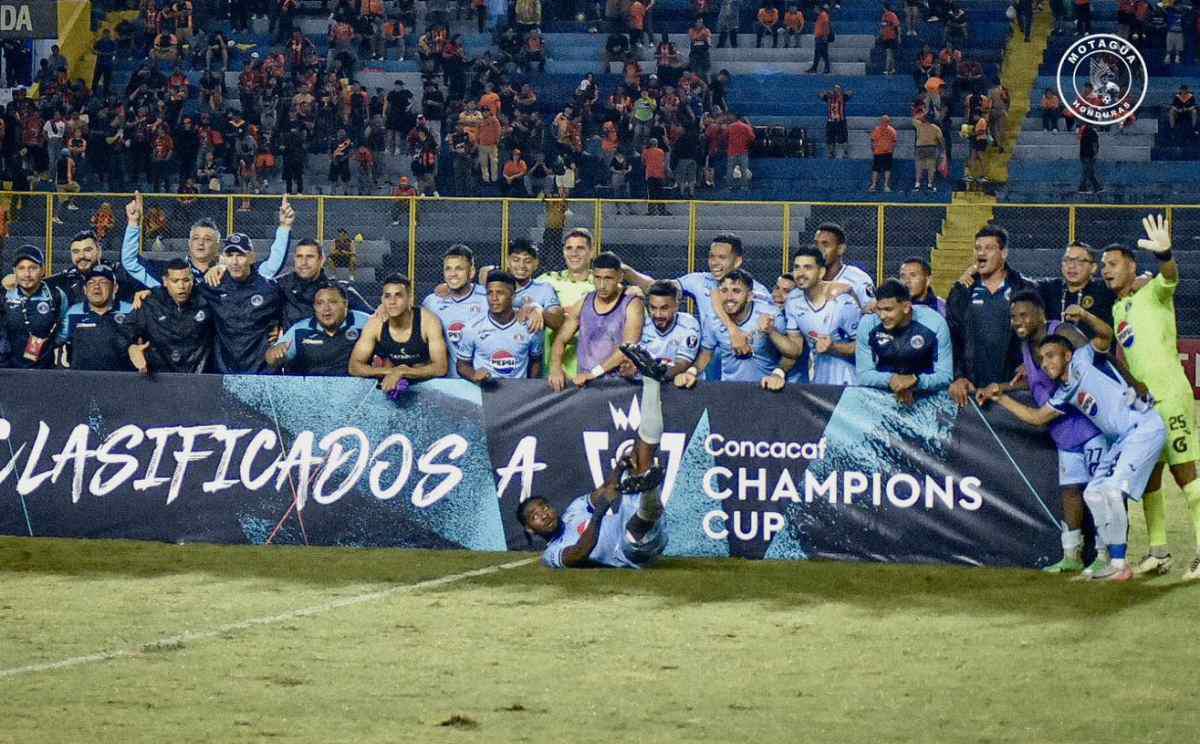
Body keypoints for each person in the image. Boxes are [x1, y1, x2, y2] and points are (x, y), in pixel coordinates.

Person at [987, 334, 1166, 582]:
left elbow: (1104, 334)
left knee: (1112, 492)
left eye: (1051, 356)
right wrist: (1001, 398)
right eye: (1041, 359)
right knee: (1093, 492)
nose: (1045, 363)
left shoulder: (1083, 360)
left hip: (1144, 427)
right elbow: (1038, 417)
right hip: (1124, 439)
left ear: (1067, 355)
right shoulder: (1065, 392)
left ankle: (1117, 564)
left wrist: (1083, 314)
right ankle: (1113, 561)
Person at [975, 290, 1111, 574]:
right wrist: (1004, 387)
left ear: (1040, 314)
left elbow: (1097, 360)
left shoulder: (1062, 333)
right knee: (1071, 492)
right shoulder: (1027, 346)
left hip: (1091, 425)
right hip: (1064, 432)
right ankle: (1071, 554)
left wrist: (1128, 388)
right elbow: (1038, 382)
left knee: (1100, 492)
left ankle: (1105, 555)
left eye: (1023, 315)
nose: (1017, 321)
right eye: (1013, 316)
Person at [1103, 216, 1200, 580]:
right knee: (1150, 478)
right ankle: (1159, 553)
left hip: (1171, 396)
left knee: (1185, 473)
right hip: (1142, 407)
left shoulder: (1153, 291)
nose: (1106, 271)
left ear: (1131, 266)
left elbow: (1171, 275)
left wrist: (1164, 254)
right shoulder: (1117, 309)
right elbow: (1126, 356)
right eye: (1103, 267)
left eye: (1112, 265)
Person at [517, 344, 672, 569]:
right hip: (628, 551)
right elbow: (579, 554)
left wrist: (619, 469)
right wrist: (599, 513)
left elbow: (604, 493)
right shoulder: (552, 554)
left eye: (543, 507)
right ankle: (649, 490)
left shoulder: (574, 510)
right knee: (633, 529)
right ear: (530, 529)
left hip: (636, 523)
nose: (544, 514)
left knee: (640, 457)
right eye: (535, 516)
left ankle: (651, 380)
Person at [623, 233, 774, 381]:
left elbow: (767, 331)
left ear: (737, 261)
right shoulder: (698, 281)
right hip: (707, 358)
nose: (714, 262)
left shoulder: (757, 292)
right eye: (711, 256)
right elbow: (659, 288)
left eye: (722, 257)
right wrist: (626, 271)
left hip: (744, 363)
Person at [121, 193, 293, 288]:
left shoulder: (233, 272)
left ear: (218, 246)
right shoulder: (171, 272)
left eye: (207, 239)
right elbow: (130, 262)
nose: (200, 243)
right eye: (195, 238)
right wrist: (133, 224)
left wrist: (284, 227)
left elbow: (272, 266)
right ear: (189, 243)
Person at [947, 225, 1034, 405]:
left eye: (989, 248)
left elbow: (1039, 332)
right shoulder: (962, 292)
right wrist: (958, 376)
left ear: (1004, 253)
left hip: (1012, 386)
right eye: (978, 248)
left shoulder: (1025, 288)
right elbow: (953, 338)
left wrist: (1031, 363)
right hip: (972, 387)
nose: (981, 253)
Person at [549, 252, 644, 391]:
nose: (602, 285)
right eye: (598, 278)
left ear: (620, 277)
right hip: (585, 384)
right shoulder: (584, 302)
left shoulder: (632, 304)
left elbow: (628, 349)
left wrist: (594, 374)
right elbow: (561, 339)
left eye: (608, 278)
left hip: (618, 386)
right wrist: (556, 367)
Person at [767, 248, 860, 387]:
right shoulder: (793, 300)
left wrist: (834, 347)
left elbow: (866, 348)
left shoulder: (842, 300)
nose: (800, 273)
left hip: (851, 381)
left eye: (808, 267)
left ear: (821, 272)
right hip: (819, 381)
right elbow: (795, 350)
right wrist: (778, 372)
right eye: (796, 267)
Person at [675, 269, 782, 388]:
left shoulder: (770, 315)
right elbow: (706, 354)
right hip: (729, 390)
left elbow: (790, 354)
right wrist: (691, 372)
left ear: (750, 296)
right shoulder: (713, 319)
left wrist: (778, 374)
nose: (729, 297)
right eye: (724, 291)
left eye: (736, 291)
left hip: (765, 389)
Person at [196, 234, 284, 374]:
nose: (235, 261)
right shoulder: (212, 286)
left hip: (262, 370)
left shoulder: (269, 289)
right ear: (223, 258)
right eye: (230, 255)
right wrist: (148, 294)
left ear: (252, 257)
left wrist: (282, 331)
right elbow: (180, 292)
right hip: (223, 370)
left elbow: (290, 311)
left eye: (241, 255)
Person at [855, 278, 952, 404]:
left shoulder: (935, 323)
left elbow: (946, 376)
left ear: (906, 307)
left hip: (926, 400)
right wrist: (893, 380)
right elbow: (863, 375)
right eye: (879, 309)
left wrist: (916, 381)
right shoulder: (868, 324)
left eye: (888, 310)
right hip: (882, 400)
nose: (882, 316)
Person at [350, 273, 449, 392]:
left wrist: (403, 371)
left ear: (410, 298)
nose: (392, 301)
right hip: (389, 382)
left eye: (398, 295)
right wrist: (392, 372)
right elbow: (354, 367)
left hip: (426, 385)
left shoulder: (428, 321)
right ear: (382, 299)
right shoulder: (375, 324)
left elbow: (441, 367)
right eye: (387, 296)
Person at [125, 258, 214, 375]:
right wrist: (131, 348)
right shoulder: (151, 304)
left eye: (186, 280)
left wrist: (221, 268)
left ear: (193, 280)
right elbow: (124, 332)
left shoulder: (206, 302)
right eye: (175, 281)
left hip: (198, 378)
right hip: (158, 378)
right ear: (165, 281)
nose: (181, 286)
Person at [458, 271, 544, 383]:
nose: (494, 298)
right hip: (484, 395)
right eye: (489, 293)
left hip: (519, 396)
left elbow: (536, 361)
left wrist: (532, 388)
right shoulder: (472, 327)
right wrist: (473, 374)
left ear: (513, 296)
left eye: (500, 293)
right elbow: (462, 364)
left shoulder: (530, 327)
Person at [266, 284, 372, 376]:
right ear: (314, 307)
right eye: (320, 303)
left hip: (356, 393)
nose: (326, 308)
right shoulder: (300, 330)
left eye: (332, 302)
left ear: (345, 304)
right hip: (311, 393)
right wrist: (274, 354)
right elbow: (271, 359)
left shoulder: (366, 324)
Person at [274, 239, 373, 330]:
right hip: (292, 346)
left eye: (310, 257)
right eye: (299, 257)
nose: (303, 262)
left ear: (322, 260)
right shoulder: (280, 285)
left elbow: (373, 319)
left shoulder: (341, 290)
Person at [422, 244, 489, 379]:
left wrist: (533, 307)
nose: (453, 274)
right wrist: (383, 308)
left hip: (483, 383)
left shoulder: (488, 298)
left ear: (471, 272)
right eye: (448, 269)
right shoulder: (431, 302)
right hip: (448, 386)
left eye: (459, 269)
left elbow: (519, 302)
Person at [541, 228, 598, 379]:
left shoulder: (603, 284)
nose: (574, 253)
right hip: (552, 372)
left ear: (592, 252)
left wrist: (634, 290)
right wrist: (532, 307)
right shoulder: (547, 281)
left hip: (590, 370)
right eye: (569, 248)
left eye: (580, 248)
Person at [56, 265, 135, 372]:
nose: (96, 286)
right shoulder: (72, 312)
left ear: (115, 288)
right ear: (84, 289)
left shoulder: (130, 311)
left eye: (103, 282)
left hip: (121, 381)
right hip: (82, 381)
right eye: (91, 282)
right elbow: (59, 343)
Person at [3, 246, 70, 369]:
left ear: (43, 270)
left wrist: (52, 343)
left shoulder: (55, 295)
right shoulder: (5, 296)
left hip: (45, 368)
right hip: (9, 369)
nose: (27, 274)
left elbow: (65, 323)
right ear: (14, 271)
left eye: (33, 268)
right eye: (21, 268)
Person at [1034, 242, 1115, 331]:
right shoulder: (1049, 288)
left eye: (1079, 261)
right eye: (1067, 260)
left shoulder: (1106, 290)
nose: (1071, 266)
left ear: (1093, 268)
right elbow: (1022, 283)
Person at [633, 280, 701, 380]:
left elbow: (682, 364)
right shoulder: (643, 324)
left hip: (680, 386)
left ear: (676, 306)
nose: (658, 314)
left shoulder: (689, 324)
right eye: (653, 308)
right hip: (649, 382)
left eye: (664, 308)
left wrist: (658, 375)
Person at [812, 222, 876, 309]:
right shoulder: (805, 279)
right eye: (816, 244)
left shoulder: (859, 279)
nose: (818, 250)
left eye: (825, 244)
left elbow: (872, 314)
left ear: (840, 249)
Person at [868, 115, 897, 193]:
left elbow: (894, 142)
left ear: (888, 122)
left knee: (887, 169)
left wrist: (891, 150)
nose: (884, 123)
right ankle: (873, 185)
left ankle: (886, 185)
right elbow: (872, 140)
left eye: (886, 121)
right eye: (883, 121)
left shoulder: (892, 130)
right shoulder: (877, 130)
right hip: (878, 152)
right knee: (875, 169)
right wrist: (873, 149)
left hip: (888, 152)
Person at [1078, 123, 1101, 194]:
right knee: (1089, 172)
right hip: (1089, 155)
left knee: (1086, 172)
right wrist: (1095, 154)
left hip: (1084, 155)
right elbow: (1095, 145)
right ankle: (1096, 187)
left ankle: (1083, 187)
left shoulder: (1083, 131)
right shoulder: (1092, 132)